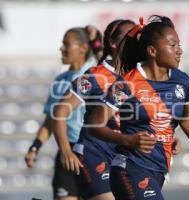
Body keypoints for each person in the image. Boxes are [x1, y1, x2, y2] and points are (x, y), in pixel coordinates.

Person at [87, 15, 189, 200]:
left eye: (179, 45)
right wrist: (128, 140)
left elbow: (186, 118)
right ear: (152, 50)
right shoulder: (127, 84)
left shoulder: (182, 80)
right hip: (130, 169)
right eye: (172, 45)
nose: (179, 51)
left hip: (158, 172)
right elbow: (94, 126)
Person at [53, 19, 181, 200]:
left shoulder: (139, 78)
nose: (134, 41)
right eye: (127, 37)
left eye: (137, 37)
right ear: (113, 43)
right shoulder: (95, 75)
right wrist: (66, 150)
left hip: (124, 158)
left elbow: (143, 119)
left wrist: (166, 137)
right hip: (94, 154)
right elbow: (60, 111)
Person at [24, 27, 102, 200]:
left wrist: (97, 39)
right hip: (66, 153)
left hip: (93, 153)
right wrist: (35, 147)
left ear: (83, 47)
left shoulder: (96, 75)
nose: (61, 48)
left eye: (66, 44)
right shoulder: (60, 80)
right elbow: (50, 120)